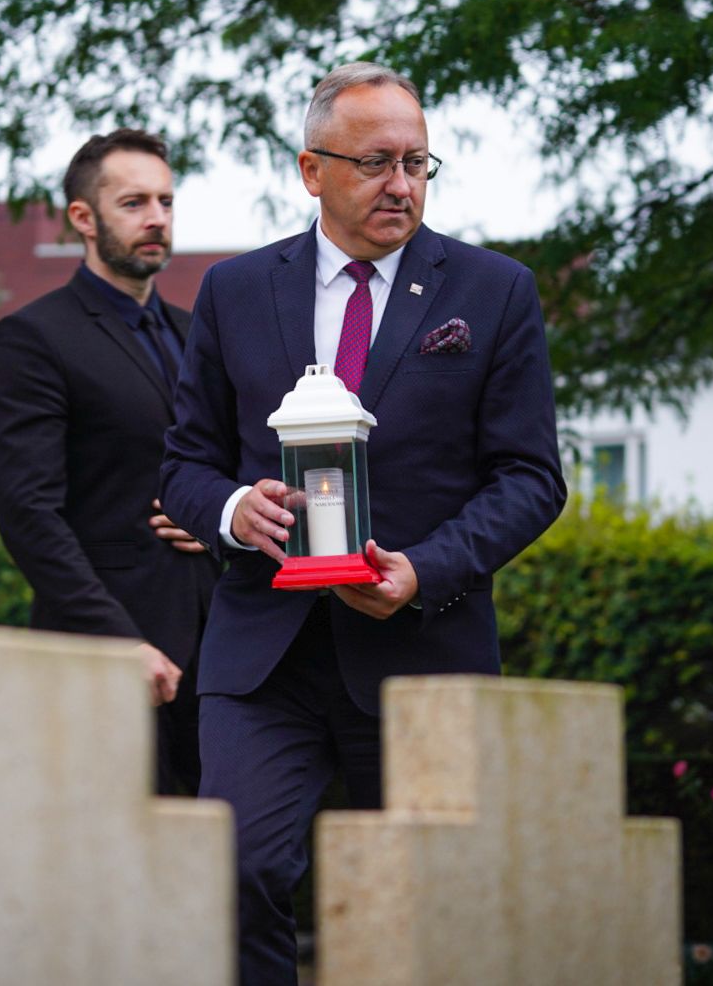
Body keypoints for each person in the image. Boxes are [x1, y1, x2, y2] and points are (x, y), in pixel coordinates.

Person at [160, 63, 567, 984]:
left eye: (418, 163)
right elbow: (183, 466)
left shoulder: (493, 291)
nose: (402, 185)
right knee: (233, 874)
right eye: (377, 163)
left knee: (427, 910)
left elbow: (531, 479)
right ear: (313, 170)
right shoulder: (232, 291)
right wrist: (234, 510)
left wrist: (426, 570)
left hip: (422, 652)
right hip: (264, 657)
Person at [0, 128, 219, 795]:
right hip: (103, 655)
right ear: (83, 218)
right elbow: (29, 515)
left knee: (226, 852)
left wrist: (217, 518)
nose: (157, 219)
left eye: (166, 202)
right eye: (134, 203)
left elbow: (230, 470)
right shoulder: (32, 339)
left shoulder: (198, 335)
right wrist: (117, 641)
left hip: (222, 657)